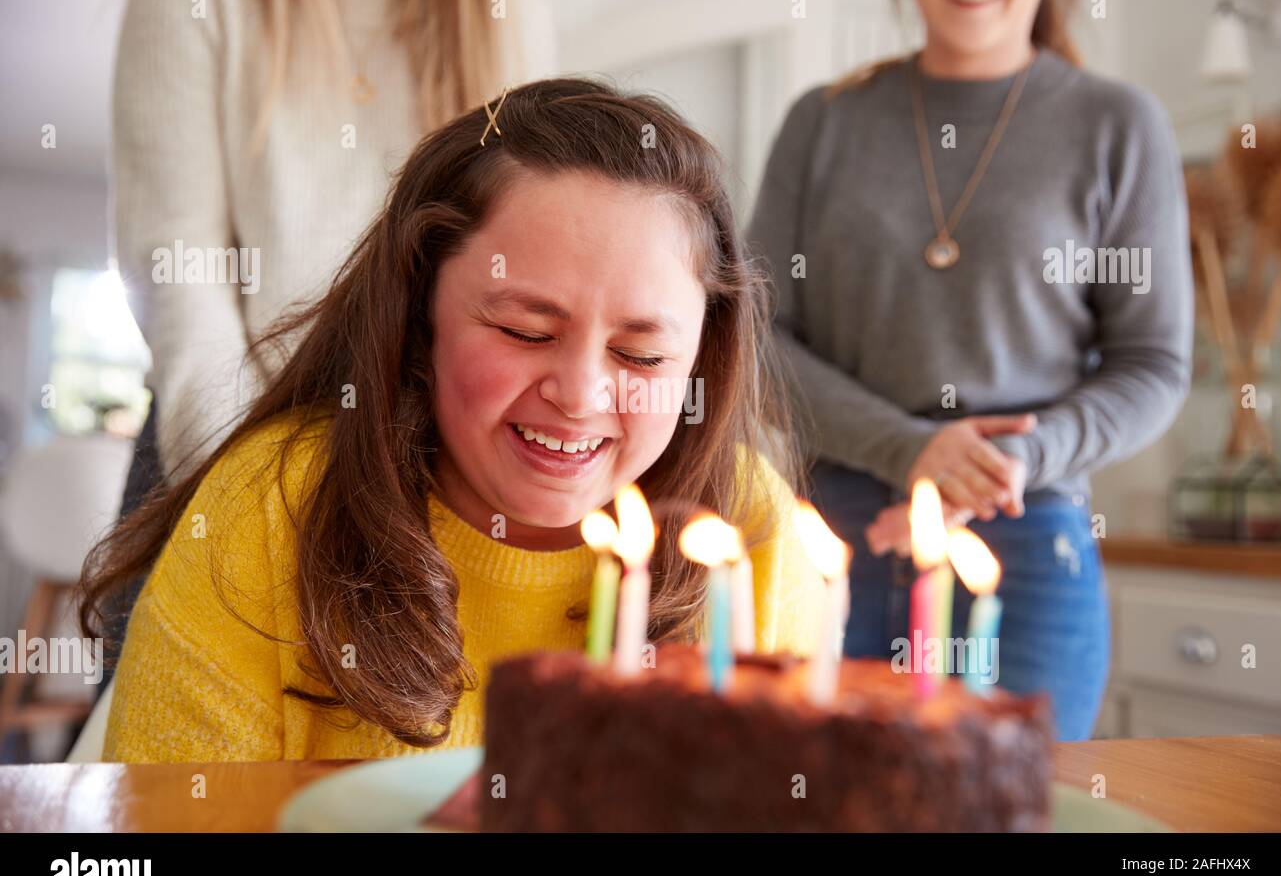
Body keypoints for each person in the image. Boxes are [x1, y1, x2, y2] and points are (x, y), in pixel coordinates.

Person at [78, 79, 825, 762]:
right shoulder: (272, 506)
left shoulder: (747, 530)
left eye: (641, 355)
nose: (579, 395)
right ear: (416, 313)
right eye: (525, 332)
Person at [747, 0, 1193, 740]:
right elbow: (754, 339)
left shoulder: (1119, 124)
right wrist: (912, 450)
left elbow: (1152, 363)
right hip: (837, 534)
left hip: (1028, 536)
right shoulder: (821, 123)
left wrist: (1014, 461)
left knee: (1013, 806)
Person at [103, 0, 553, 670]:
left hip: (427, 474)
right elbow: (180, 270)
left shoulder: (508, 12)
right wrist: (256, 494)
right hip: (213, 447)